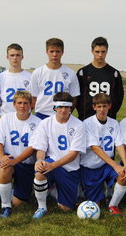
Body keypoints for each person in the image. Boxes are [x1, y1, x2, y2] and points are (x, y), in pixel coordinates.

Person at [30, 91, 86, 219]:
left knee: (66, 208)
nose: (63, 110)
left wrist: (53, 165)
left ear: (71, 107)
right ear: (54, 107)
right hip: (51, 161)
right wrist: (39, 160)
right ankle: (41, 207)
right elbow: (41, 148)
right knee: (40, 171)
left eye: (66, 106)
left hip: (70, 168)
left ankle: (54, 191)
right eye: (60, 106)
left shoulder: (78, 125)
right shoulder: (45, 123)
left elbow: (73, 154)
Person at [79, 93, 126, 215]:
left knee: (124, 176)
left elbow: (119, 145)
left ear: (109, 106)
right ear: (94, 107)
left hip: (106, 166)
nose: (102, 109)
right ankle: (95, 191)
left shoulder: (114, 123)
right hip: (90, 167)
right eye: (99, 106)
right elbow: (95, 148)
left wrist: (125, 164)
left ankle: (113, 205)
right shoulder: (87, 123)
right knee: (95, 205)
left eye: (104, 106)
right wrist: (115, 165)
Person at [0, 90, 42, 218]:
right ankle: (5, 206)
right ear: (14, 104)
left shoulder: (38, 123)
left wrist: (15, 161)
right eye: (19, 103)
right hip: (9, 159)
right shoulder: (5, 118)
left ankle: (9, 191)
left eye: (25, 103)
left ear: (31, 105)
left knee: (19, 202)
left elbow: (32, 148)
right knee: (5, 167)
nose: (22, 106)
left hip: (26, 164)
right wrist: (2, 158)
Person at [29, 38, 80, 119]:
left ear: (62, 52)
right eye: (51, 51)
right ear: (46, 51)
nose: (54, 54)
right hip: (42, 114)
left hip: (62, 115)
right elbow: (33, 97)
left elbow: (74, 97)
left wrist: (67, 112)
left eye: (58, 51)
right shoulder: (38, 72)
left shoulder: (70, 73)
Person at [76, 37, 124, 121]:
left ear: (107, 51)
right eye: (97, 52)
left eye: (103, 52)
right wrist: (82, 112)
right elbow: (77, 96)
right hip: (86, 118)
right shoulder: (83, 72)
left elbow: (119, 97)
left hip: (108, 118)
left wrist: (111, 112)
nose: (100, 55)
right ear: (92, 51)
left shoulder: (114, 73)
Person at [0, 43, 32, 116]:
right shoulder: (0, 77)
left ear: (22, 57)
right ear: (7, 57)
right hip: (5, 117)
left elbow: (33, 100)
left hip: (24, 117)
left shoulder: (30, 77)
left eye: (18, 55)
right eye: (12, 55)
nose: (15, 58)